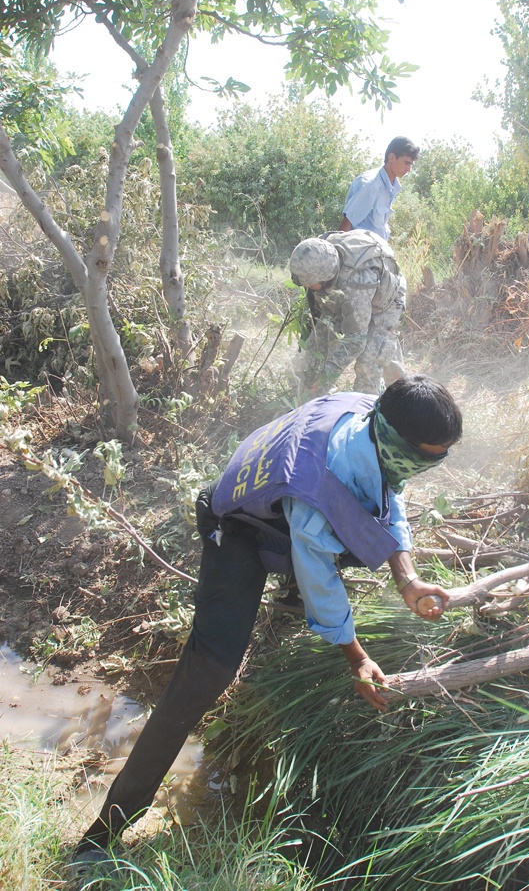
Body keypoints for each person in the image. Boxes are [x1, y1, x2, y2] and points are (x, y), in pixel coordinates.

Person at [69, 375, 462, 879]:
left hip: (279, 501)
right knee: (211, 668)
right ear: (394, 439)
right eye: (425, 457)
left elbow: (390, 492)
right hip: (231, 523)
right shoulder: (324, 484)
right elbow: (323, 571)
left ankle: (285, 589)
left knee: (331, 534)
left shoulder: (373, 416)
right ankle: (102, 834)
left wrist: (406, 579)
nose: (427, 469)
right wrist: (357, 656)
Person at [289, 229, 406, 395]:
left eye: (309, 283)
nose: (307, 288)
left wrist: (324, 379)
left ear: (323, 278)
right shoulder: (321, 252)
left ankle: (391, 400)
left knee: (371, 358)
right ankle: (316, 396)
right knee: (319, 338)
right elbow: (321, 330)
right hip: (351, 292)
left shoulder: (355, 284)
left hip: (386, 300)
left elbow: (356, 340)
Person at [340, 136, 419, 241]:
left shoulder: (392, 186)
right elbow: (346, 223)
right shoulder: (371, 185)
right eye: (406, 163)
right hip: (360, 251)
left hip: (377, 250)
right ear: (391, 157)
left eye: (411, 164)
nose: (409, 169)